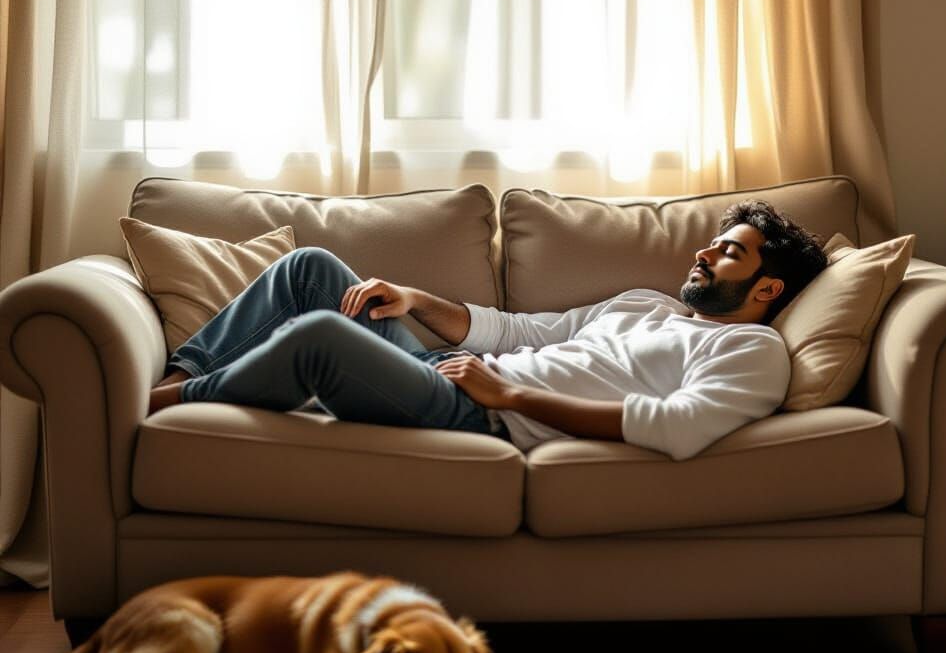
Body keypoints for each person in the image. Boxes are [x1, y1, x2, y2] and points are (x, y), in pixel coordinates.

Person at [148, 200, 827, 461]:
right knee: (311, 270)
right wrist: (412, 299)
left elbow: (676, 425)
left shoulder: (753, 351)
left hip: (482, 417)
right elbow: (518, 330)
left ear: (769, 289)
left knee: (321, 336)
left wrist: (511, 399)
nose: (705, 254)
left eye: (729, 252)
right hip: (454, 380)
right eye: (711, 245)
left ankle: (161, 406)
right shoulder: (644, 304)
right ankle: (181, 379)